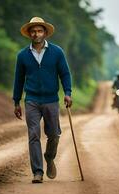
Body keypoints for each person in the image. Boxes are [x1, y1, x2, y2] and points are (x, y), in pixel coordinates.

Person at [13, 17, 72, 184]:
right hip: (31, 99)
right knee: (33, 135)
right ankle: (37, 172)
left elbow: (65, 74)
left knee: (54, 134)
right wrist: (16, 101)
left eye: (39, 30)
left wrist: (67, 92)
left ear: (45, 33)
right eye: (33, 31)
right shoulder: (23, 55)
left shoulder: (57, 52)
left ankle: (49, 157)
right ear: (29, 34)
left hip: (51, 99)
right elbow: (18, 80)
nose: (36, 33)